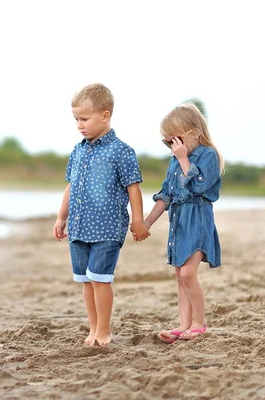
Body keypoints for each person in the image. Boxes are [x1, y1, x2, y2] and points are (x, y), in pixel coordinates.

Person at [53, 83, 149, 347]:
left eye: (84, 119)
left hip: (107, 228)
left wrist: (138, 220)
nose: (79, 125)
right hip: (79, 226)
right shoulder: (78, 150)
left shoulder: (121, 151)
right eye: (76, 119)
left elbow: (133, 187)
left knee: (100, 279)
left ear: (105, 115)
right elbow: (71, 186)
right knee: (86, 280)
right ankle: (93, 329)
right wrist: (62, 217)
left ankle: (104, 330)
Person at [143, 103, 224, 343]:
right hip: (178, 221)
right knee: (180, 274)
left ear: (194, 133)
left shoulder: (208, 155)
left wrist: (182, 159)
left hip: (197, 219)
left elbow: (199, 185)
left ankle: (199, 323)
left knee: (189, 273)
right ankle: (184, 324)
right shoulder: (173, 162)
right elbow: (166, 195)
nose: (172, 146)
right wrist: (147, 222)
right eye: (167, 142)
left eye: (176, 140)